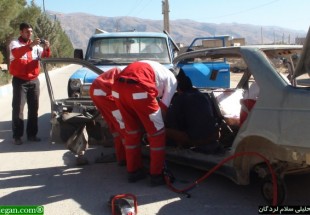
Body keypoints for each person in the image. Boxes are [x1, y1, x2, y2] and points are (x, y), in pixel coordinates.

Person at [112, 60, 177, 186]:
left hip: (118, 90)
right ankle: (156, 175)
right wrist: (154, 126)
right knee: (157, 133)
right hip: (139, 89)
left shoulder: (153, 66)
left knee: (132, 131)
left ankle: (133, 171)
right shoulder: (172, 80)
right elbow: (163, 107)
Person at [9, 22, 51, 145]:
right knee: (18, 109)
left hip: (34, 80)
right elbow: (16, 54)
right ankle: (17, 136)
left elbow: (45, 57)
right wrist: (30, 46)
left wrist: (47, 48)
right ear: (21, 32)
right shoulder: (15, 43)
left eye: (31, 31)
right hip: (19, 81)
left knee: (34, 109)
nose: (30, 33)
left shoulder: (37, 46)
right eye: (27, 31)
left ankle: (32, 134)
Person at [165, 69, 221, 154]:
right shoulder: (204, 96)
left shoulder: (180, 99)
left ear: (178, 88)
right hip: (214, 136)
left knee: (161, 130)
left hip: (196, 140)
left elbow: (171, 121)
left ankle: (178, 150)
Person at [89, 67, 126, 166]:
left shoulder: (121, 71)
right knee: (123, 125)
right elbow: (122, 95)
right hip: (104, 94)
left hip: (95, 92)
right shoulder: (126, 75)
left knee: (115, 126)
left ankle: (121, 156)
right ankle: (126, 157)